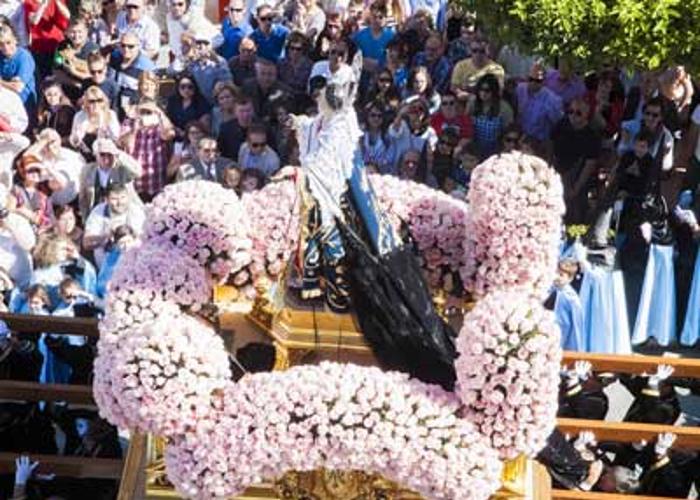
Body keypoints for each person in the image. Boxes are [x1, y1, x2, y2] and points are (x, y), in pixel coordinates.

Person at [551, 97, 603, 224]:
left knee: (574, 219)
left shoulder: (592, 136)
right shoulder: (561, 125)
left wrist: (575, 189)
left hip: (577, 180)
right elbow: (550, 147)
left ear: (586, 115)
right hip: (557, 175)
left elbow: (589, 165)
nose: (573, 115)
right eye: (571, 111)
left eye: (578, 113)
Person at [119, 98, 175, 201]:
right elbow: (123, 143)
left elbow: (169, 135)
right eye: (142, 111)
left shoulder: (159, 123)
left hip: (155, 177)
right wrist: (134, 130)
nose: (145, 114)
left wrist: (160, 114)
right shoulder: (129, 122)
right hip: (135, 177)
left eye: (148, 112)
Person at [79, 137, 143, 220]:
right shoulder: (87, 170)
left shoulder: (121, 168)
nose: (106, 158)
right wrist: (86, 220)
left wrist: (118, 153)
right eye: (102, 154)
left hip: (124, 214)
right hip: (99, 215)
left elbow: (138, 172)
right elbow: (83, 200)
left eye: (109, 155)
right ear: (96, 155)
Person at [83, 182, 145, 267]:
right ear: (107, 199)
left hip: (131, 264)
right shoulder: (98, 212)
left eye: (123, 197)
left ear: (128, 197)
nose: (119, 202)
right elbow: (86, 243)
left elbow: (144, 238)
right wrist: (105, 237)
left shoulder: (136, 211)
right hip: (105, 266)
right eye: (114, 199)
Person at [618, 97, 674, 173]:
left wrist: (663, 156)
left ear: (661, 117)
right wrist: (624, 142)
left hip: (648, 174)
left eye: (655, 115)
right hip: (627, 169)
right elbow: (620, 152)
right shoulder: (630, 127)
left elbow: (666, 166)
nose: (650, 118)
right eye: (647, 113)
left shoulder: (666, 137)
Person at [109, 31, 156, 118]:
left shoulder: (146, 66)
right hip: (113, 107)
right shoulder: (114, 57)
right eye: (123, 45)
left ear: (138, 46)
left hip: (134, 111)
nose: (126, 49)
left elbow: (151, 93)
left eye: (131, 46)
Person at [515, 63, 564, 144]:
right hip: (519, 139)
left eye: (538, 81)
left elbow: (558, 124)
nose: (533, 83)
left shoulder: (553, 99)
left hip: (538, 143)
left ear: (544, 81)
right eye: (530, 79)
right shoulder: (519, 90)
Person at [70, 85, 121, 161]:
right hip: (84, 156)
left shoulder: (110, 114)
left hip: (105, 156)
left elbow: (116, 137)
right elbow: (73, 141)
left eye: (99, 100)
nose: (96, 104)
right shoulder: (79, 116)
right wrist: (77, 135)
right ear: (86, 102)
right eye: (92, 101)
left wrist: (107, 127)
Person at [24, 0, 71, 78]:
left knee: (61, 70)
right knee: (45, 76)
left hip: (58, 45)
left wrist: (57, 2)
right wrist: (43, 5)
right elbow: (35, 21)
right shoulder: (29, 3)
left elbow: (68, 16)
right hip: (40, 47)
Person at [186, 28, 233, 105]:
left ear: (209, 46)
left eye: (204, 44)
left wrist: (216, 62)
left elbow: (228, 82)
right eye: (198, 44)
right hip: (201, 104)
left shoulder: (219, 61)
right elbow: (173, 71)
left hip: (219, 103)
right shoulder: (193, 63)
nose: (200, 47)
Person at [0, 24, 37, 114]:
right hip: (5, 104)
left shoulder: (24, 57)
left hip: (24, 105)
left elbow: (18, 87)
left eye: (8, 42)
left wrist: (1, 82)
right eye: (1, 44)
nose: (5, 47)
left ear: (15, 40)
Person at [352, 0, 395, 75]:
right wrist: (362, 61)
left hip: (383, 77)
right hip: (362, 76)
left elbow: (394, 60)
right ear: (370, 17)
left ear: (385, 18)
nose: (377, 20)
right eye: (374, 17)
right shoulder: (359, 35)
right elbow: (352, 55)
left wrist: (380, 64)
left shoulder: (392, 37)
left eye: (380, 17)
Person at [217, 93, 257, 161]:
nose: (245, 115)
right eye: (241, 111)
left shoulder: (263, 127)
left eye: (248, 110)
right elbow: (221, 153)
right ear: (235, 112)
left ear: (253, 111)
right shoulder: (225, 129)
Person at [360, 100, 395, 174]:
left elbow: (389, 161)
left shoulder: (388, 138)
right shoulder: (359, 135)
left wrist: (376, 166)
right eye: (373, 115)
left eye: (379, 116)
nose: (376, 118)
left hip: (380, 177)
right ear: (367, 116)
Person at [35, 78, 75, 143]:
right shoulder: (43, 109)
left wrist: (58, 141)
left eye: (55, 94)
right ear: (44, 94)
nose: (52, 98)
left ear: (60, 94)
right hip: (45, 142)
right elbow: (39, 128)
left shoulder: (68, 110)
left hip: (62, 143)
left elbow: (71, 134)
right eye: (49, 95)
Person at [277, 31, 313, 97]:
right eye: (292, 48)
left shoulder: (310, 66)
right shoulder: (280, 64)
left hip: (302, 99)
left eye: (298, 49)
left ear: (303, 50)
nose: (295, 52)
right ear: (288, 48)